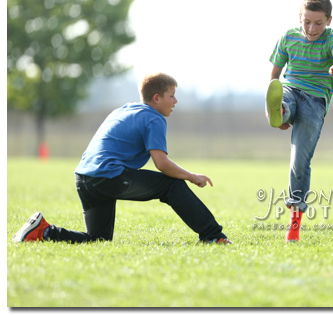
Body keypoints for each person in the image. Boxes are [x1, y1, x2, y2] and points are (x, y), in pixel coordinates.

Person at [13, 73, 232, 244]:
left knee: (98, 240)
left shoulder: (124, 109)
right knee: (172, 185)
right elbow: (162, 164)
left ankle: (44, 231)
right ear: (157, 98)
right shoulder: (154, 118)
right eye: (171, 95)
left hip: (84, 178)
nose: (175, 101)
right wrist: (192, 176)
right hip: (107, 177)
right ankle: (213, 235)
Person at [265, 0, 333, 242]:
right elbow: (274, 77)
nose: (312, 29)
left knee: (299, 163)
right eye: (307, 22)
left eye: (319, 23)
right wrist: (273, 95)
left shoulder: (332, 38)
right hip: (290, 90)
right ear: (299, 18)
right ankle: (279, 112)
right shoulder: (288, 37)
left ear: (329, 21)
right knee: (283, 99)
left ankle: (294, 223)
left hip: (315, 101)